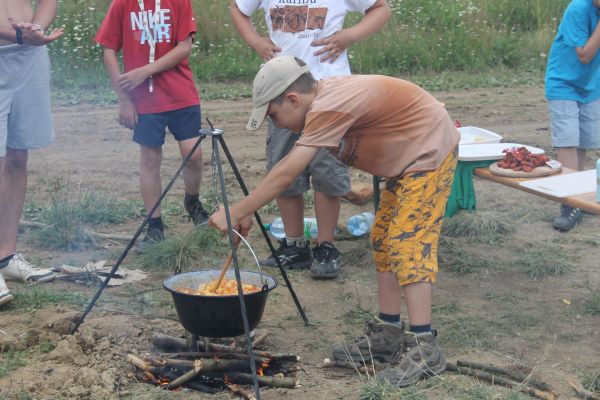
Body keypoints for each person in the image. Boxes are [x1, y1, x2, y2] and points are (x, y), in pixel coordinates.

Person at [209, 56, 460, 387]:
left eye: (274, 115)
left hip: (429, 154)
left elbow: (286, 172)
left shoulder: (328, 107)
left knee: (408, 244)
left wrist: (238, 210)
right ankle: (388, 332)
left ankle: (425, 346)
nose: (278, 124)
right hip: (407, 159)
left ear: (293, 100)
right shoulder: (320, 104)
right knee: (383, 240)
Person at [229, 0, 390, 279]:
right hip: (283, 95)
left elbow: (381, 8)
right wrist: (256, 41)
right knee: (284, 168)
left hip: (330, 91)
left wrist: (349, 36)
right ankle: (294, 246)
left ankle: (325, 246)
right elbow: (237, 9)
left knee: (326, 171)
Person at [96, 0, 208, 247]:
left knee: (194, 155)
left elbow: (184, 47)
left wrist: (146, 70)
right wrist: (124, 99)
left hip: (181, 94)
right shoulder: (122, 4)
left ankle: (192, 201)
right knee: (149, 159)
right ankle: (154, 225)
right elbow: (108, 50)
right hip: (143, 100)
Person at [0, 0, 64, 307]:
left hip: (29, 56)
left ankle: (5, 258)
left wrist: (36, 29)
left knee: (17, 157)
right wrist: (20, 35)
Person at [545, 0, 600, 231]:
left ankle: (578, 199)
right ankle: (568, 204)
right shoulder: (579, 8)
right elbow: (584, 55)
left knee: (583, 143)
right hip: (563, 83)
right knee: (567, 142)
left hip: (592, 86)